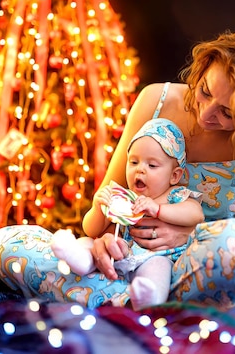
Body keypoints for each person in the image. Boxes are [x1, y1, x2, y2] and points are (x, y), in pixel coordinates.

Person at [0, 27, 235, 309]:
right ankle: (136, 300)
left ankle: (117, 299)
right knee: (5, 244)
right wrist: (104, 242)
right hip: (127, 259)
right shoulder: (156, 101)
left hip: (194, 266)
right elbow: (107, 200)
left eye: (229, 113)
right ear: (202, 70)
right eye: (205, 92)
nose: (206, 115)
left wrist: (187, 233)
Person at [50, 118, 204, 310]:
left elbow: (196, 214)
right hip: (117, 253)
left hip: (153, 256)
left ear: (174, 175)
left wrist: (158, 210)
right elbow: (90, 229)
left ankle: (148, 296)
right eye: (133, 162)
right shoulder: (122, 197)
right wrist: (99, 208)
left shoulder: (174, 195)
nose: (140, 169)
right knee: (88, 243)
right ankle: (78, 259)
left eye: (152, 165)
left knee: (159, 269)